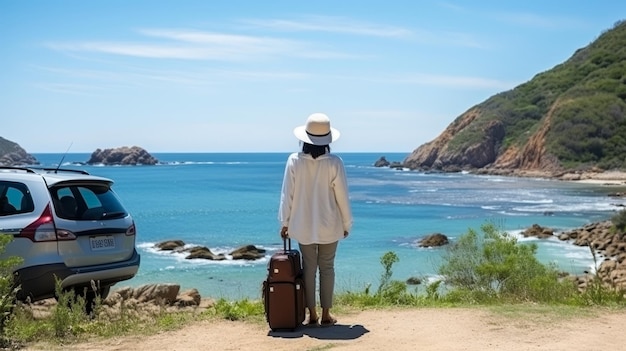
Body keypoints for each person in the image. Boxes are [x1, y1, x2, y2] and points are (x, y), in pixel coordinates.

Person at [278, 113, 353, 327]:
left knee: (308, 267)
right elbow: (342, 197)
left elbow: (287, 195)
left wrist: (285, 222)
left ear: (304, 138)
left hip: (302, 224)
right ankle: (327, 314)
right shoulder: (334, 163)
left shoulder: (294, 161)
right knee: (327, 267)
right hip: (330, 223)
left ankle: (312, 314)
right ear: (328, 140)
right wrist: (346, 224)